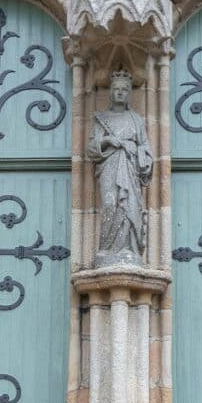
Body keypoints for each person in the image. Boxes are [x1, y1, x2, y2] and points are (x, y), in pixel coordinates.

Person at [87, 68, 154, 266]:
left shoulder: (136, 119)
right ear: (110, 91)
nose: (120, 92)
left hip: (130, 169)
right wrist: (108, 140)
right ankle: (107, 249)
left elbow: (146, 148)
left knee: (129, 207)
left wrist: (134, 150)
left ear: (129, 94)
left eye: (125, 89)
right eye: (116, 89)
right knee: (110, 205)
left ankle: (129, 249)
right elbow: (91, 149)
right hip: (109, 167)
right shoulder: (102, 119)